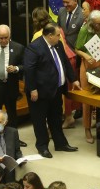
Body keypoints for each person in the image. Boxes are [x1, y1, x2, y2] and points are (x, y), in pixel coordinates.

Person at [23, 23, 80, 158]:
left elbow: (65, 62)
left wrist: (74, 79)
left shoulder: (58, 44)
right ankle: (42, 147)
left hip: (56, 89)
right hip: (40, 92)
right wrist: (33, 89)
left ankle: (60, 144)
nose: (60, 37)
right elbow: (29, 70)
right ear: (49, 36)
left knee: (56, 118)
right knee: (40, 121)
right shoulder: (34, 48)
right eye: (57, 35)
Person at [75, 11, 100, 143]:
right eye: (96, 24)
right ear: (91, 23)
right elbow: (77, 49)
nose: (99, 26)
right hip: (88, 63)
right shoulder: (85, 29)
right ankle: (87, 128)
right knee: (87, 98)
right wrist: (85, 56)